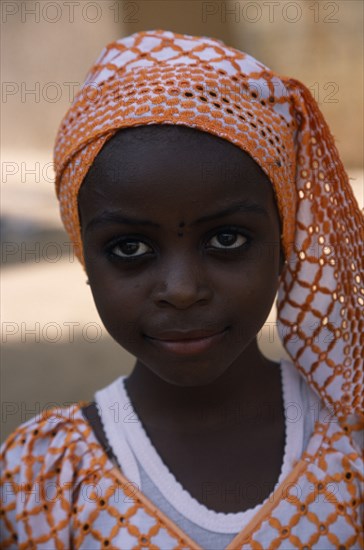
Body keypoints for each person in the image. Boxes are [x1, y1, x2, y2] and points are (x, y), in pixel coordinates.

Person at [1, 29, 363, 549]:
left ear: (284, 241)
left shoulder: (348, 451)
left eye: (227, 238)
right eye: (129, 249)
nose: (182, 289)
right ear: (84, 254)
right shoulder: (43, 483)